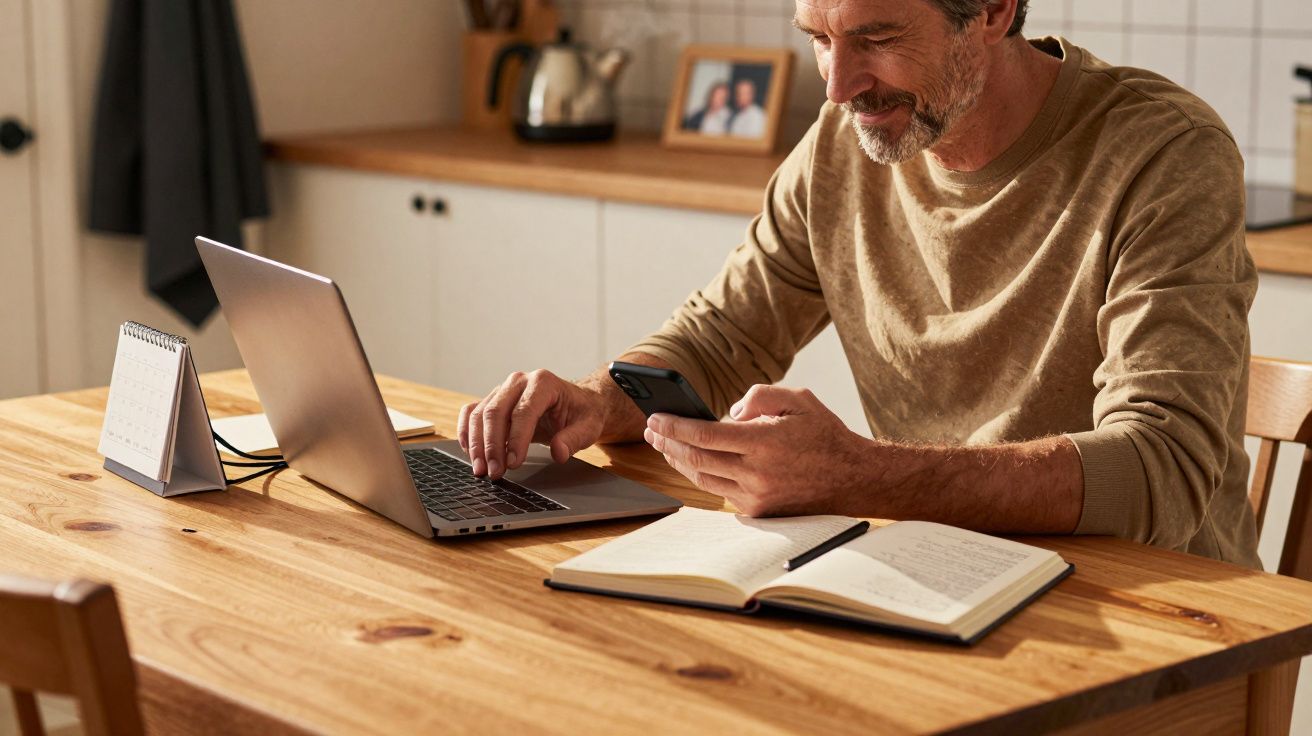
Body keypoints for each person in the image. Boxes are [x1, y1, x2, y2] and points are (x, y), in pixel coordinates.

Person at [458, 0, 1261, 567]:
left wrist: (857, 474)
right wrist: (601, 399)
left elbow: (1161, 468)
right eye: (818, 36)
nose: (839, 87)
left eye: (875, 38)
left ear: (991, 10)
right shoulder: (845, 142)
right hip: (933, 571)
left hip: (1157, 614)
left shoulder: (1163, 154)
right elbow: (720, 336)